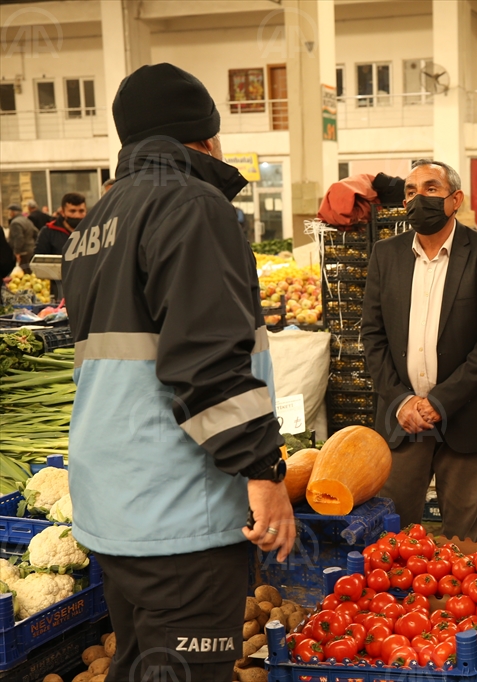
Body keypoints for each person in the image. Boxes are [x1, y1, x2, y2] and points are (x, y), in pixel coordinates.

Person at [62, 63, 295, 682]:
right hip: (180, 510)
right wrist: (263, 470)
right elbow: (207, 360)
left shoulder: (94, 224)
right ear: (206, 137)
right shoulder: (193, 204)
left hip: (117, 504)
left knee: (142, 664)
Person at [361, 159, 477, 541]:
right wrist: (401, 401)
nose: (417, 198)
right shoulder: (386, 254)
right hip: (403, 420)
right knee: (394, 536)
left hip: (468, 415)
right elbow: (373, 336)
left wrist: (439, 401)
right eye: (410, 192)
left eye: (430, 189)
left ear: (455, 199)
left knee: (464, 540)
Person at [6, 204, 37, 273]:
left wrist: (17, 252)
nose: (9, 214)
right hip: (30, 250)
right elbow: (36, 233)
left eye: (10, 212)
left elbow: (19, 238)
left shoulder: (15, 223)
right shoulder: (27, 221)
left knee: (24, 273)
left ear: (13, 212)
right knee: (30, 272)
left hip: (23, 252)